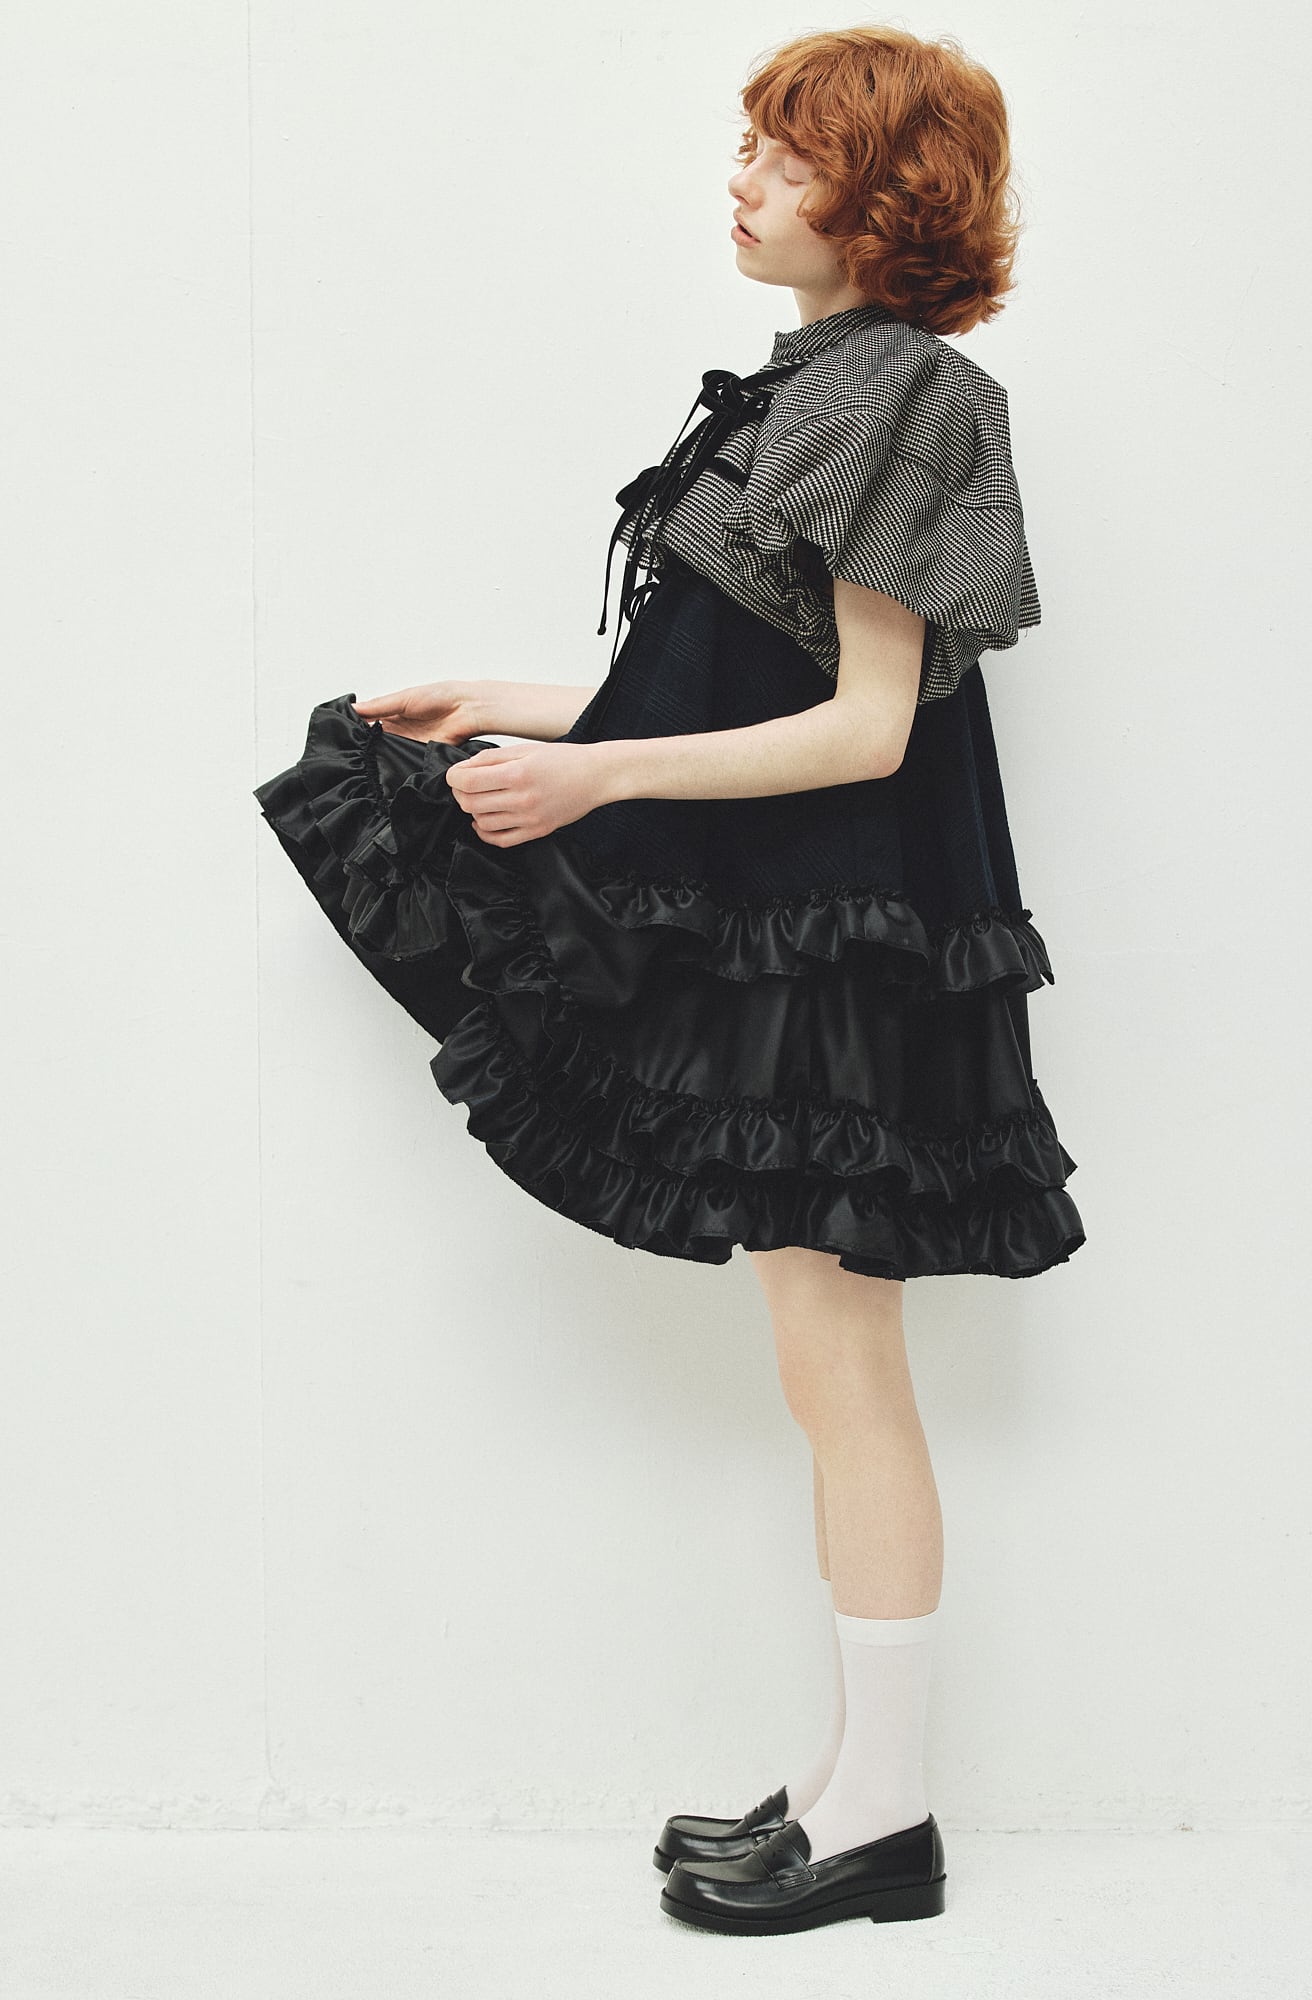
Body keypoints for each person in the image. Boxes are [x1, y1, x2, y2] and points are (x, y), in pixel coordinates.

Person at [253, 23, 1085, 1936]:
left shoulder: (909, 394)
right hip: (796, 921)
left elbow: (870, 727)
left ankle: (885, 1817)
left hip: (847, 932)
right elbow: (732, 687)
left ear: (884, 194)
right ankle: (854, 1786)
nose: (743, 179)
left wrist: (597, 778)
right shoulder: (814, 386)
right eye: (751, 147)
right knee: (822, 1361)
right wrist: (511, 703)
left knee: (845, 1364)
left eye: (786, 155)